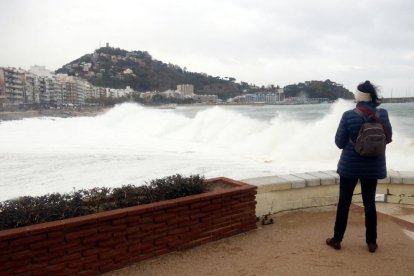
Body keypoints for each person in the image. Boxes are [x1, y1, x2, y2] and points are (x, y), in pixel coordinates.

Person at [326, 80, 393, 253]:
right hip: (373, 166)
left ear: (358, 96)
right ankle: (371, 243)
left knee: (344, 203)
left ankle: (337, 239)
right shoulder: (383, 113)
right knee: (370, 203)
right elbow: (388, 138)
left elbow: (339, 143)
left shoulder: (349, 115)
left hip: (350, 167)